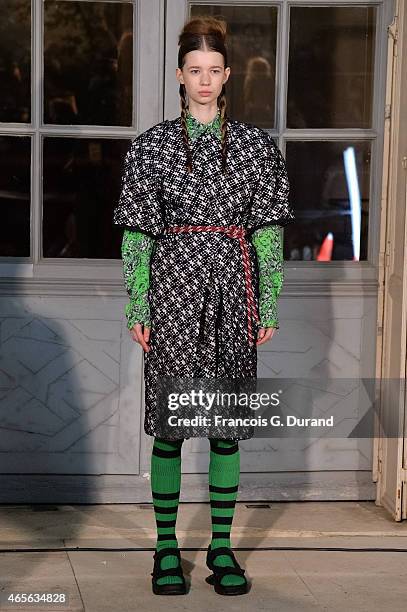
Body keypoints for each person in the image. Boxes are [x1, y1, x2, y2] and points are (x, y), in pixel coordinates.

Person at [113, 15, 295, 597]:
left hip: (233, 294)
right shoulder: (153, 147)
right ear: (179, 75)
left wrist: (266, 305)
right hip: (171, 294)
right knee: (170, 427)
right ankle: (166, 547)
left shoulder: (256, 148)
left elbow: (267, 233)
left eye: (215, 70)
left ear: (228, 75)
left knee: (226, 429)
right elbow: (137, 234)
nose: (205, 80)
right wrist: (137, 305)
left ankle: (221, 547)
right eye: (195, 70)